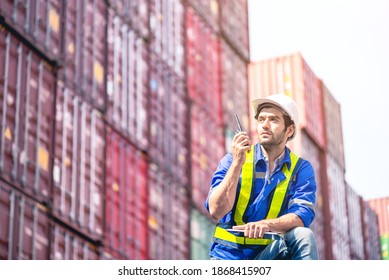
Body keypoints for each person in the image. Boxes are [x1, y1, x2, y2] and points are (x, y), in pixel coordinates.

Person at [205, 93, 319, 260]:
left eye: (273, 120)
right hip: (228, 258)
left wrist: (265, 225)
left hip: (270, 256)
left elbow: (302, 215)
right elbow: (215, 210)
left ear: (289, 129)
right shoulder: (233, 160)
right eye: (261, 119)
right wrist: (237, 164)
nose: (265, 125)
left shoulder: (300, 169)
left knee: (304, 235)